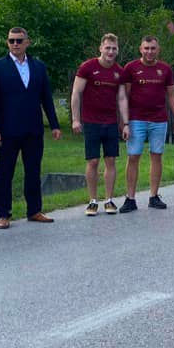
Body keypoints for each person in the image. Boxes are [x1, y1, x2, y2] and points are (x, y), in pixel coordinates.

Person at [0, 27, 62, 229]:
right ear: (7, 42)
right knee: (5, 173)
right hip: (8, 130)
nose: (15, 44)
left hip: (33, 129)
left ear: (27, 42)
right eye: (11, 40)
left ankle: (34, 210)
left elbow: (46, 98)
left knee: (33, 171)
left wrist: (54, 124)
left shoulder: (38, 67)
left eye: (19, 40)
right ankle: (3, 214)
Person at [120, 36, 174, 212]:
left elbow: (171, 94)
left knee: (157, 155)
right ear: (140, 49)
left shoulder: (165, 69)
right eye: (146, 48)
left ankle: (154, 196)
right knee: (133, 156)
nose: (149, 51)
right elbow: (124, 96)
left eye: (153, 48)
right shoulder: (131, 68)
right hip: (136, 119)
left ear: (158, 49)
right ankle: (130, 198)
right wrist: (124, 122)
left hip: (159, 119)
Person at [71, 34, 130, 216]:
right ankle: (93, 201)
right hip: (91, 122)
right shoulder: (88, 67)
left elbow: (122, 98)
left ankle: (109, 200)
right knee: (93, 161)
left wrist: (125, 123)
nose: (110, 52)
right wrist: (75, 119)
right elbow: (76, 93)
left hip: (110, 122)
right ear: (101, 48)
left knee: (110, 160)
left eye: (114, 48)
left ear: (117, 50)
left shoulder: (119, 72)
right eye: (108, 48)